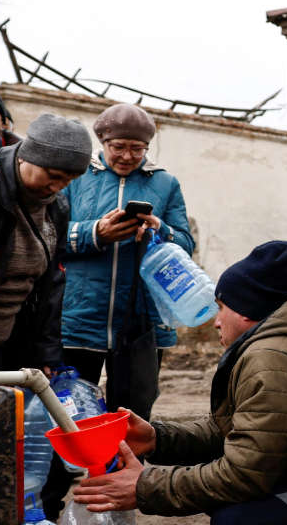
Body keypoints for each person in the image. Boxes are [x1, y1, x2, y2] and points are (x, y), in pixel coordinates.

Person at [70, 241, 287, 524]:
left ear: (247, 311)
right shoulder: (277, 347)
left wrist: (146, 486)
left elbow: (245, 474)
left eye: (221, 307)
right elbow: (235, 433)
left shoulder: (273, 360)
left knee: (238, 517)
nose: (216, 321)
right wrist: (158, 438)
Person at [60, 103, 194, 421]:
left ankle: (127, 472)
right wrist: (95, 233)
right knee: (70, 413)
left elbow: (186, 245)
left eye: (137, 148)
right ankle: (68, 473)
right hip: (79, 316)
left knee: (132, 414)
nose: (127, 156)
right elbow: (48, 237)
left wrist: (159, 231)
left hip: (140, 320)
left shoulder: (165, 184)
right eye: (118, 147)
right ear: (103, 144)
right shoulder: (76, 178)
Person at [0, 112, 92, 373]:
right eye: (52, 175)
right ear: (28, 156)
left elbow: (51, 284)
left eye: (68, 181)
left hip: (12, 341)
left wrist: (45, 354)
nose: (57, 187)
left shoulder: (57, 206)